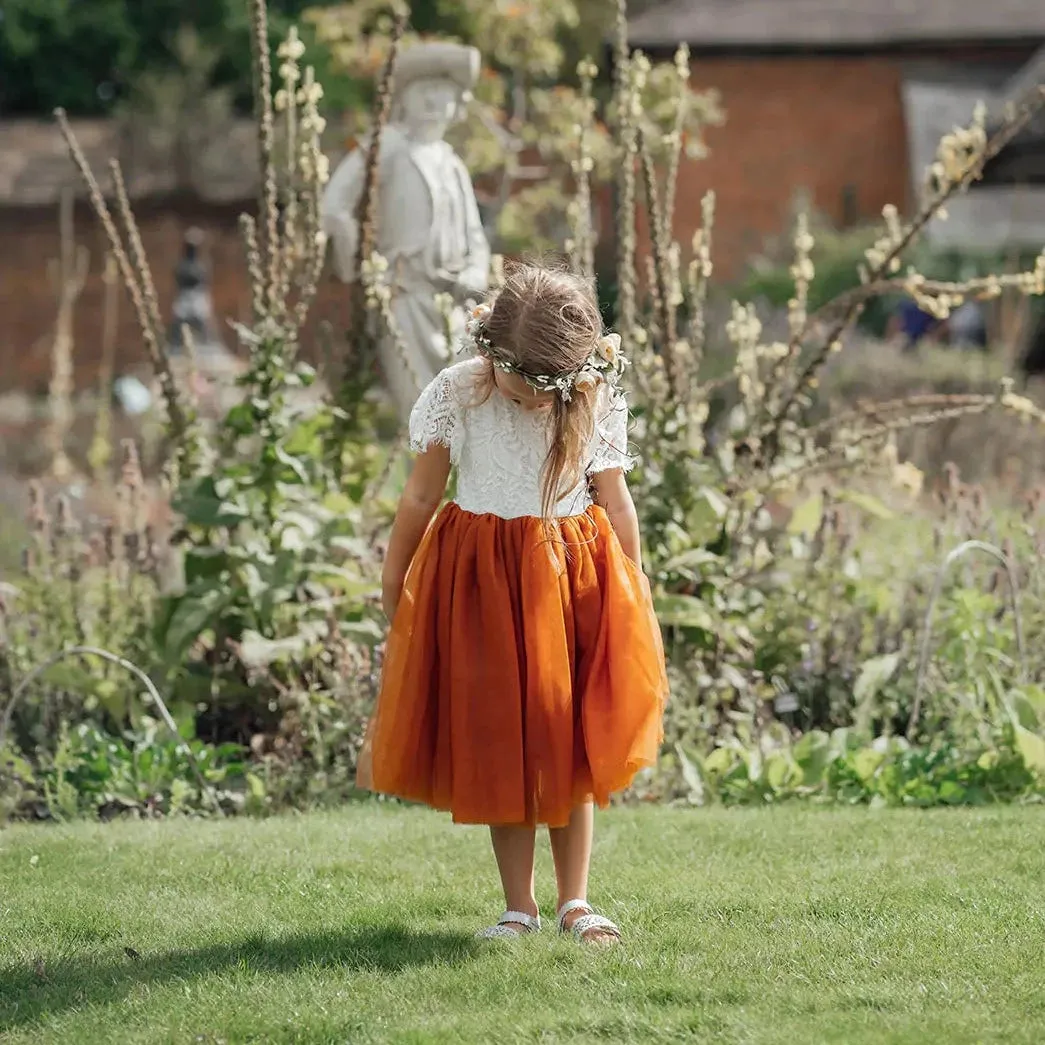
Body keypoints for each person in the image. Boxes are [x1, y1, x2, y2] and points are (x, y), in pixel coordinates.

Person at [357, 263, 668, 945]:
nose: (529, 402)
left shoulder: (592, 395)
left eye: (540, 392)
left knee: (570, 740)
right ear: (487, 351)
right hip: (482, 584)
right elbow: (418, 497)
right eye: (518, 385)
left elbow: (615, 499)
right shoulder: (459, 394)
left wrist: (633, 588)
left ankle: (575, 900)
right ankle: (517, 905)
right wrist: (395, 579)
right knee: (499, 737)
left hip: (573, 577)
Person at [322, 42, 490, 421]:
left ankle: (456, 482)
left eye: (442, 90)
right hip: (404, 297)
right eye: (421, 90)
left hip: (456, 304)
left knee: (465, 411)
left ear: (458, 101)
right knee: (419, 413)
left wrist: (473, 273)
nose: (432, 100)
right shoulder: (389, 148)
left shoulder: (452, 164)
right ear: (402, 99)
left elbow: (474, 235)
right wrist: (360, 266)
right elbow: (334, 203)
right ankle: (422, 481)